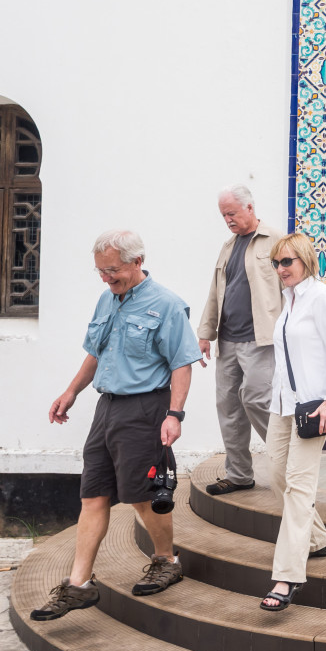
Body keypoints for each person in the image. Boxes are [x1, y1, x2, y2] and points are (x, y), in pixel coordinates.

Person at [32, 229, 202, 621]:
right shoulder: (106, 300)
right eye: (100, 271)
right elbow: (96, 352)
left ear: (137, 261)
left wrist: (174, 415)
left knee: (142, 494)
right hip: (106, 408)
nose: (106, 278)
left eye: (113, 270)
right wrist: (71, 391)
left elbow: (182, 363)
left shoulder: (167, 305)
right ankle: (79, 584)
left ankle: (166, 560)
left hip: (145, 408)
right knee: (93, 494)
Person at [260, 232, 326, 611]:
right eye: (276, 263)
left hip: (313, 407)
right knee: (276, 475)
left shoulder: (321, 297)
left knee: (298, 485)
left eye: (287, 261)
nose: (281, 269)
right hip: (282, 405)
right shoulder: (289, 301)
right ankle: (318, 539)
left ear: (306, 260)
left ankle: (287, 576)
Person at [196, 185, 283, 495]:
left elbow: (293, 287)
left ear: (249, 207)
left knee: (257, 398)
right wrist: (205, 332)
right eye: (223, 215)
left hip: (261, 339)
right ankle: (239, 475)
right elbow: (216, 290)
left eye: (231, 213)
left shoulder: (276, 240)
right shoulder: (228, 246)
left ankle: (288, 461)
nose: (228, 220)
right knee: (229, 408)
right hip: (228, 341)